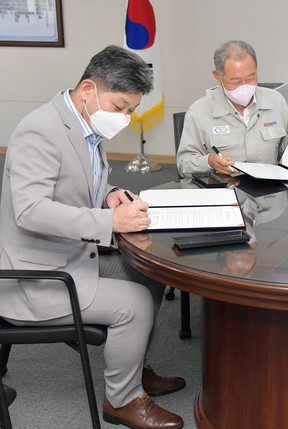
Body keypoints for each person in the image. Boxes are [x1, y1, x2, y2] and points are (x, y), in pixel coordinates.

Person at [0, 46, 185, 428]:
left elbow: (75, 186)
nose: (125, 117)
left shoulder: (83, 123)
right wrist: (110, 222)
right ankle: (122, 400)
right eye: (121, 107)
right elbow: (30, 211)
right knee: (134, 302)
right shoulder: (40, 129)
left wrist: (108, 194)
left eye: (131, 109)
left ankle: (132, 369)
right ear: (88, 89)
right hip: (33, 275)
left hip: (69, 254)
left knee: (151, 273)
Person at [177, 40, 288, 177]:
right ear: (218, 77)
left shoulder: (276, 101)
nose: (245, 86)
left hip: (269, 190)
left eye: (251, 78)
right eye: (236, 81)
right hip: (225, 191)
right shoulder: (199, 112)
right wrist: (209, 162)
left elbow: (282, 154)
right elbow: (184, 164)